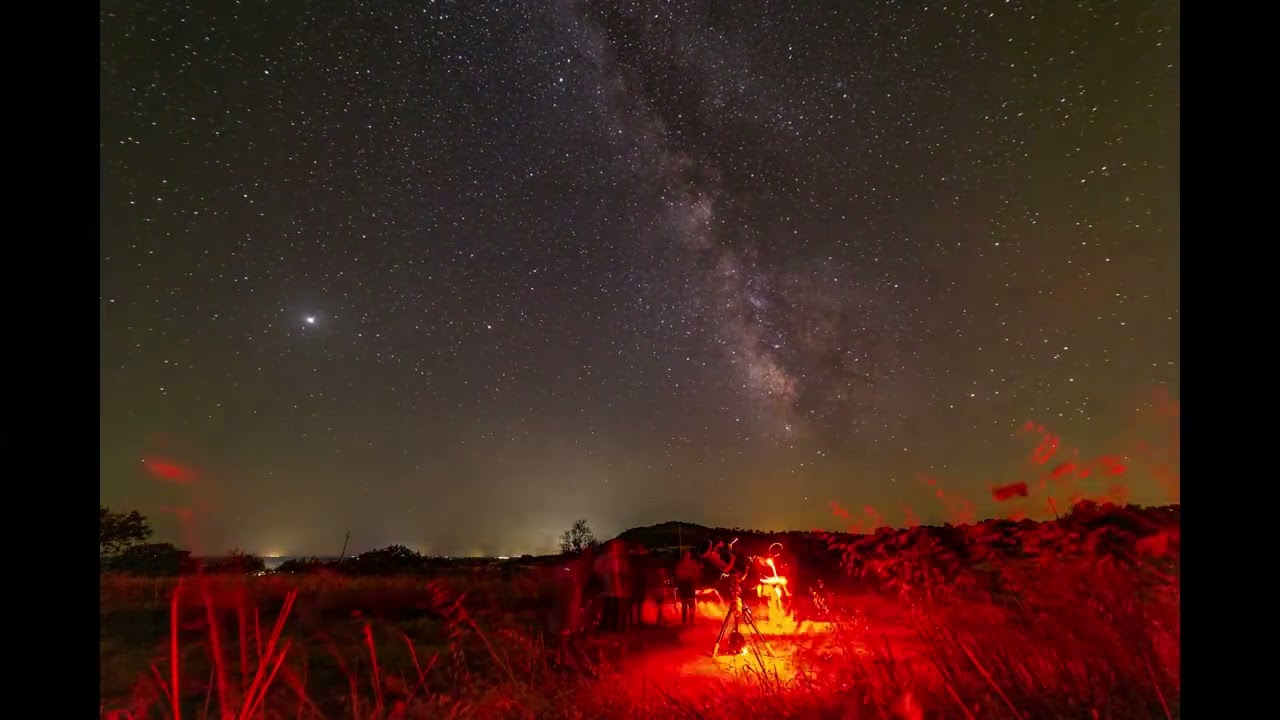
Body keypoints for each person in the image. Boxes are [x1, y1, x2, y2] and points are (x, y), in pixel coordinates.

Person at [592, 539, 631, 632]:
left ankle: (612, 629)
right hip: (609, 590)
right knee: (609, 611)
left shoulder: (618, 559)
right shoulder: (605, 559)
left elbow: (624, 573)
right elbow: (597, 572)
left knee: (613, 611)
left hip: (615, 591)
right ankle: (609, 629)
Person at [675, 549, 701, 625]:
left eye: (688, 555)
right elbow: (678, 574)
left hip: (690, 585)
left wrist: (694, 576)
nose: (687, 556)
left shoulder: (693, 563)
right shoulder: (680, 564)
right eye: (686, 555)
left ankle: (691, 621)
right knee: (684, 605)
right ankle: (684, 621)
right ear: (684, 556)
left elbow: (697, 573)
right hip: (684, 586)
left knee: (691, 605)